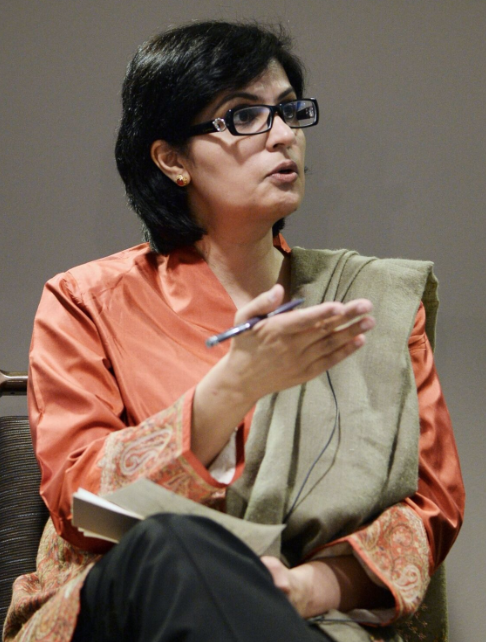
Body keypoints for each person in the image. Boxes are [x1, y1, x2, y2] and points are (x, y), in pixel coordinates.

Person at [4, 20, 464, 642]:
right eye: (244, 117)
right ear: (171, 159)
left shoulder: (371, 304)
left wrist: (306, 587)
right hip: (121, 605)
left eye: (289, 111)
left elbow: (427, 507)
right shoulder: (85, 301)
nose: (284, 136)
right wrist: (232, 388)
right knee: (176, 545)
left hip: (302, 617)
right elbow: (79, 503)